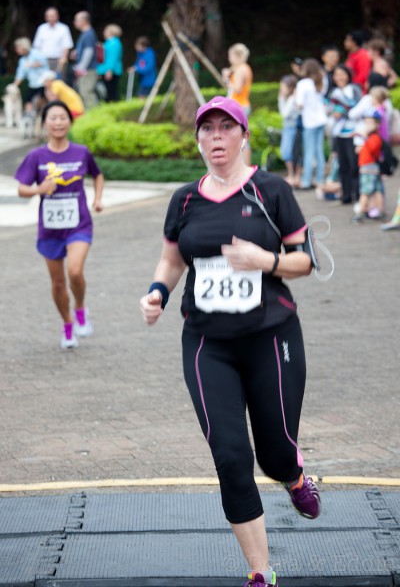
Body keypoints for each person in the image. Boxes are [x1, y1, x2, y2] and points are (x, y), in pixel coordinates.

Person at [140, 96, 321, 587]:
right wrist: (157, 292)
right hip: (207, 344)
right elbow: (173, 259)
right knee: (231, 456)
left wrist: (266, 261)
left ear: (244, 136)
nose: (216, 136)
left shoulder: (271, 190)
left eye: (226, 127)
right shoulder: (184, 199)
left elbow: (305, 260)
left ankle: (293, 475)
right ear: (198, 139)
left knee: (274, 452)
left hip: (271, 337)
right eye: (207, 129)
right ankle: (261, 572)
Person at [15, 101, 104, 349]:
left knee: (74, 271)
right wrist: (39, 189)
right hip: (50, 229)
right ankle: (67, 325)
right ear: (45, 123)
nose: (58, 122)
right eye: (52, 118)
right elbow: (22, 189)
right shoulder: (36, 156)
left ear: (69, 121)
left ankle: (80, 308)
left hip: (79, 224)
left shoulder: (81, 152)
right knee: (57, 283)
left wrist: (97, 199)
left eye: (63, 117)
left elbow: (97, 175)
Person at [327, 64, 362, 204]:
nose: (339, 77)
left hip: (353, 133)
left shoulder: (354, 89)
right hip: (339, 133)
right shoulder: (333, 93)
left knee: (354, 164)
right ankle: (346, 195)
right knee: (342, 165)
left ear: (348, 75)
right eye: (337, 75)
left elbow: (359, 109)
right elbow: (329, 110)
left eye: (342, 74)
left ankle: (358, 194)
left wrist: (343, 113)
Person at [295, 58, 327, 189]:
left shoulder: (303, 84)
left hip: (309, 122)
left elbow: (299, 104)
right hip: (321, 119)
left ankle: (306, 180)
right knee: (319, 150)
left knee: (308, 151)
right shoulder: (321, 81)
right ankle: (320, 178)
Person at [222, 43, 253, 163]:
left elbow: (238, 89)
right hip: (239, 105)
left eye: (230, 55)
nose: (229, 58)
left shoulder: (241, 69)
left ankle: (246, 167)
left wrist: (227, 79)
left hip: (240, 106)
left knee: (242, 138)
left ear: (236, 55)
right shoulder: (241, 68)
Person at [352, 111, 385, 223]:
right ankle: (380, 211)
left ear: (377, 124)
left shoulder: (375, 137)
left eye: (370, 123)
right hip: (369, 167)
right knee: (377, 190)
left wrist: (365, 136)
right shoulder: (371, 137)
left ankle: (360, 213)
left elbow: (372, 147)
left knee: (365, 191)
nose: (367, 125)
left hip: (369, 168)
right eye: (366, 123)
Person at [32, 7, 73, 75]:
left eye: (53, 16)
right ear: (46, 17)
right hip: (43, 61)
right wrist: (36, 59)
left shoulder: (63, 28)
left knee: (58, 80)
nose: (51, 18)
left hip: (58, 60)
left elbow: (67, 45)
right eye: (49, 16)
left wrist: (63, 58)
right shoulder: (41, 28)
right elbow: (36, 46)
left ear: (57, 16)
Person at [13, 37, 49, 114]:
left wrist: (32, 64)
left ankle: (43, 113)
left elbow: (44, 63)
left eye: (17, 48)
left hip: (42, 82)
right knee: (27, 98)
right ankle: (29, 114)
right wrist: (14, 86)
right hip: (33, 84)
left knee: (43, 99)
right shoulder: (22, 60)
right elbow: (20, 75)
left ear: (23, 47)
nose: (16, 50)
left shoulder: (36, 53)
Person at [278, 74, 301, 187]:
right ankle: (292, 175)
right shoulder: (290, 99)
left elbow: (284, 114)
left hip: (292, 129)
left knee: (291, 152)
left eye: (283, 87)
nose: (281, 89)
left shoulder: (292, 99)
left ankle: (294, 176)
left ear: (291, 87)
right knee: (287, 152)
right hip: (288, 128)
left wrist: (281, 98)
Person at [72, 11, 98, 109]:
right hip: (86, 69)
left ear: (84, 21)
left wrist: (81, 68)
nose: (74, 22)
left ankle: (93, 114)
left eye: (76, 20)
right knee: (84, 92)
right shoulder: (85, 34)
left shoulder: (88, 34)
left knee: (87, 92)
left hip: (88, 70)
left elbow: (89, 51)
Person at [97, 24, 123, 102]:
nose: (104, 32)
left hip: (110, 71)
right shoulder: (109, 43)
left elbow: (112, 58)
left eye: (106, 30)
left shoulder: (114, 43)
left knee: (111, 91)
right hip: (105, 70)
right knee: (107, 90)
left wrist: (109, 70)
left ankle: (113, 104)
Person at [344, 30, 371, 94]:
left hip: (359, 91)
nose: (345, 42)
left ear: (354, 42)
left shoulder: (362, 55)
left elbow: (363, 75)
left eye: (347, 40)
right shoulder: (351, 55)